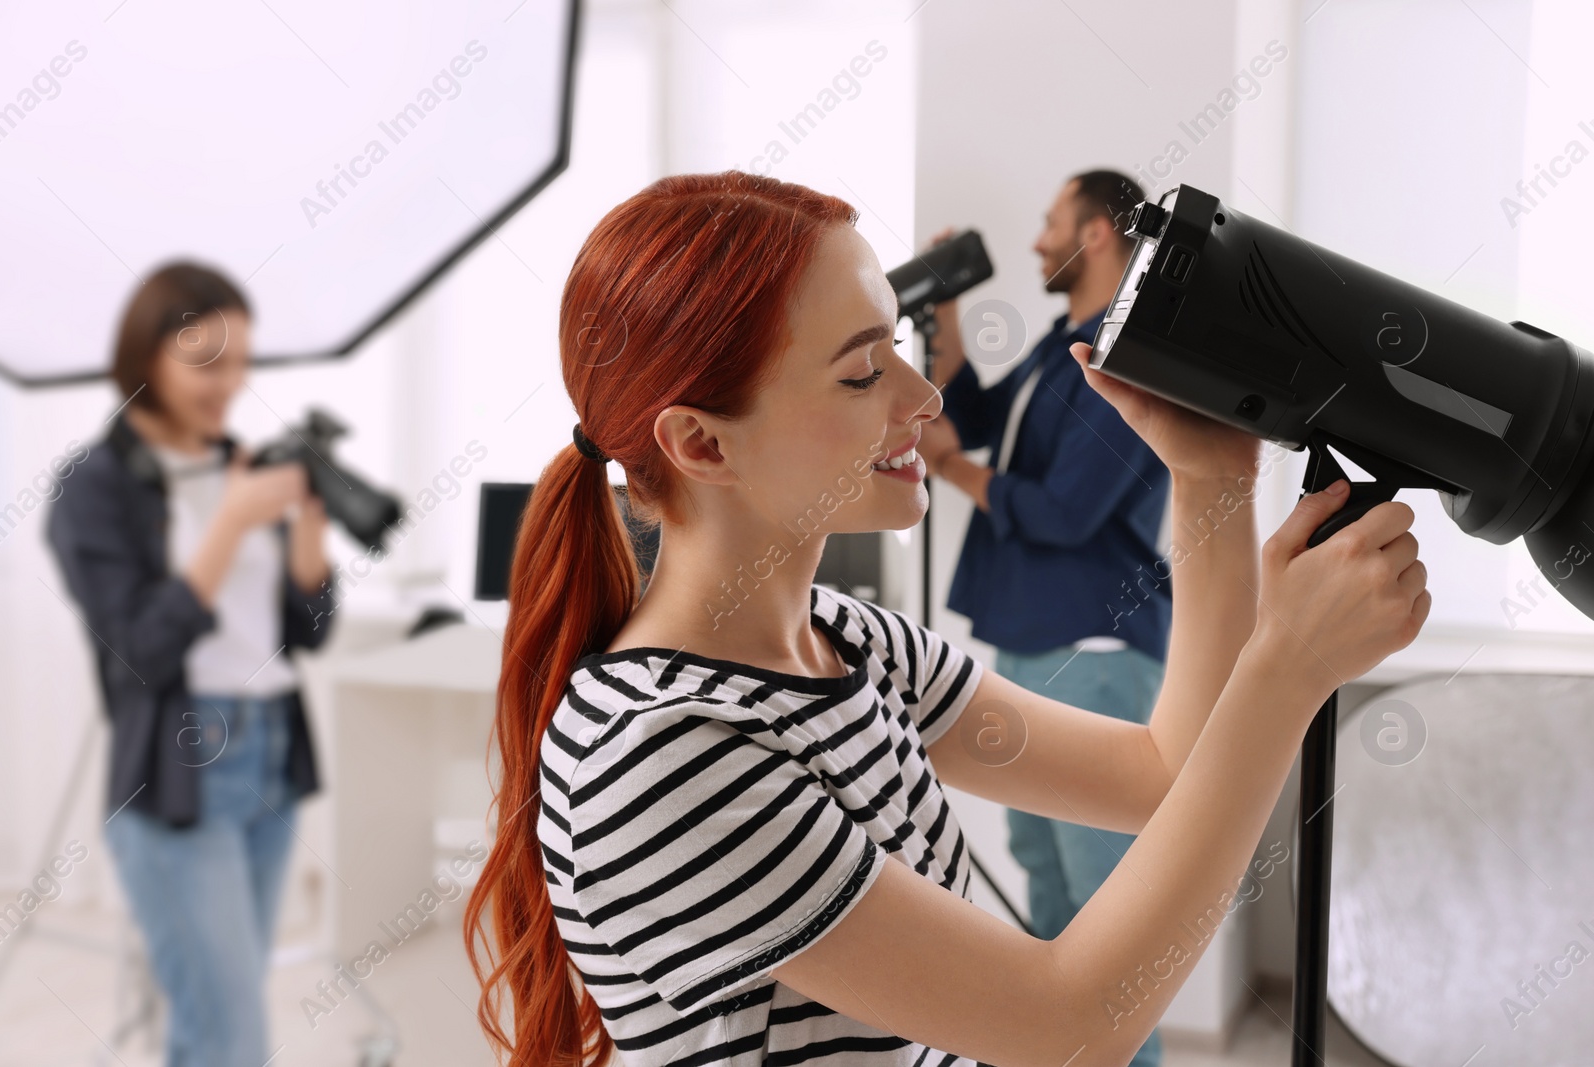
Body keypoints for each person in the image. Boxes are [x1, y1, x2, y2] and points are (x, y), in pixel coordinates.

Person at [463, 170, 1430, 1067]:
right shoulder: (663, 752)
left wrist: (1210, 482)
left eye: (895, 347)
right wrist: (1285, 670)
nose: (923, 397)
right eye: (859, 373)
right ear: (702, 441)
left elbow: (1161, 776)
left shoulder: (848, 641)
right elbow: (1069, 1023)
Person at [45, 262, 338, 1067]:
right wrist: (229, 526)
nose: (229, 383)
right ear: (147, 357)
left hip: (273, 752)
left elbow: (306, 631)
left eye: (241, 361)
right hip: (179, 770)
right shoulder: (94, 487)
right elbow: (139, 646)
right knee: (228, 1036)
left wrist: (308, 523)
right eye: (206, 361)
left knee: (221, 1023)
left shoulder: (239, 462)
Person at [916, 171, 1169, 1065]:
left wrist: (950, 471)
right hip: (1029, 644)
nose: (1035, 241)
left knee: (1107, 917)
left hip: (1092, 649)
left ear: (1097, 232)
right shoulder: (1063, 347)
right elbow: (966, 412)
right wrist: (943, 307)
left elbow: (1064, 512)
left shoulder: (1125, 359)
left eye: (1050, 223)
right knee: (1048, 880)